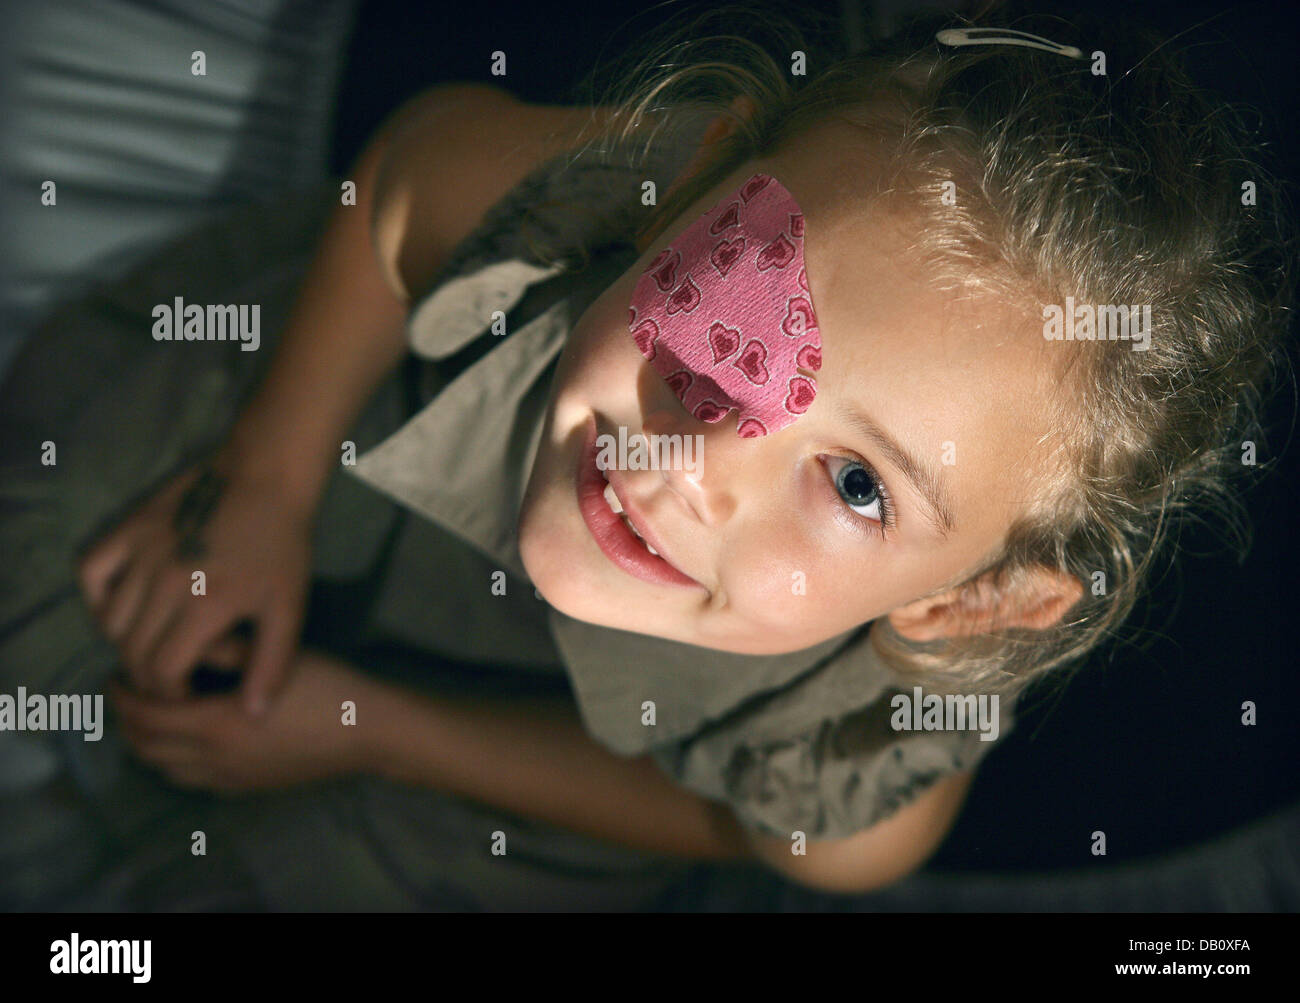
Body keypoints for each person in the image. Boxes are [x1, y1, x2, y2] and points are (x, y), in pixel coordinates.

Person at [2, 6, 1290, 909]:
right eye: (737, 298)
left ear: (967, 602)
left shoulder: (857, 767)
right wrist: (266, 487)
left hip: (527, 736)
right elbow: (404, 186)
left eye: (857, 485)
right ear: (699, 185)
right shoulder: (624, 187)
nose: (694, 462)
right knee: (56, 506)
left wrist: (369, 730)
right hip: (351, 403)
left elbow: (742, 826)